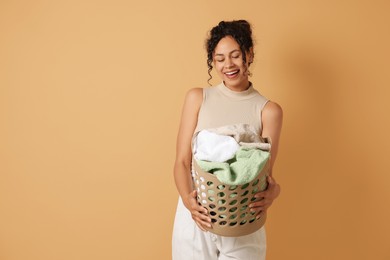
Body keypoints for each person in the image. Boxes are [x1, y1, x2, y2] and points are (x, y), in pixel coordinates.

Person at [172, 20, 283, 260]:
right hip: (197, 214)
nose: (228, 65)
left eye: (235, 56)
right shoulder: (197, 98)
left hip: (243, 217)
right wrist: (188, 203)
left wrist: (274, 192)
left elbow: (265, 172)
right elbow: (182, 162)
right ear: (213, 60)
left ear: (249, 54)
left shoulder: (268, 111)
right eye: (220, 59)